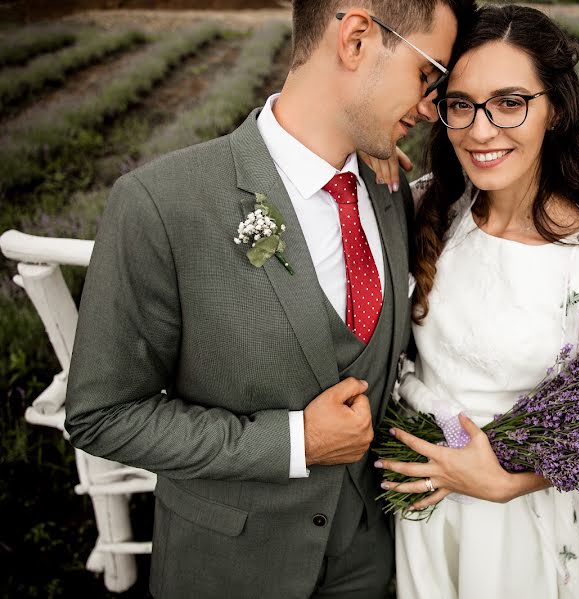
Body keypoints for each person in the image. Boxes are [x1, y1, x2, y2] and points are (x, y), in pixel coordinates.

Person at [63, 2, 472, 597]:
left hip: (370, 560)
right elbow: (102, 415)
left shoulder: (386, 190)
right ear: (356, 39)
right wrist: (293, 442)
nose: (432, 105)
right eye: (428, 75)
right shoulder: (161, 204)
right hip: (228, 570)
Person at [368, 5, 579, 598]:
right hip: (420, 508)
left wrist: (502, 483)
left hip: (510, 523)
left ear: (556, 109)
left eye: (510, 102)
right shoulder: (428, 211)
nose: (480, 130)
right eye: (460, 104)